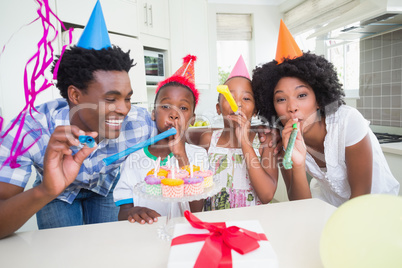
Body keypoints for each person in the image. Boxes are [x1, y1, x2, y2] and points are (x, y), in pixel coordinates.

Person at [0, 1, 156, 238]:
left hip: (104, 188)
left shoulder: (140, 123)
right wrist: (46, 190)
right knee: (62, 253)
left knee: (106, 249)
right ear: (75, 95)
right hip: (57, 193)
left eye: (127, 98)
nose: (124, 109)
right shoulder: (30, 130)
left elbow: (180, 136)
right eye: (111, 99)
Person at [251, 20, 400, 207]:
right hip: (329, 209)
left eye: (302, 95)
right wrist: (297, 164)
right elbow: (300, 207)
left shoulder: (348, 122)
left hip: (375, 209)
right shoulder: (285, 142)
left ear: (319, 99)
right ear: (272, 106)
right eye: (281, 99)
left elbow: (360, 200)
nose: (292, 107)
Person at [114, 55, 208, 224]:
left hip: (183, 234)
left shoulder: (198, 156)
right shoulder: (134, 159)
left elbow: (196, 209)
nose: (174, 114)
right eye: (165, 106)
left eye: (183, 108)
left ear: (192, 119)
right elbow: (123, 213)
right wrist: (133, 211)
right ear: (153, 113)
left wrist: (181, 157)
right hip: (145, 237)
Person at [198, 55, 278, 211]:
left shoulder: (264, 141)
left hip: (251, 225)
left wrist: (245, 143)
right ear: (218, 108)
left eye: (246, 98)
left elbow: (267, 195)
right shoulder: (208, 140)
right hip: (215, 224)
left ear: (255, 111)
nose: (238, 103)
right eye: (230, 97)